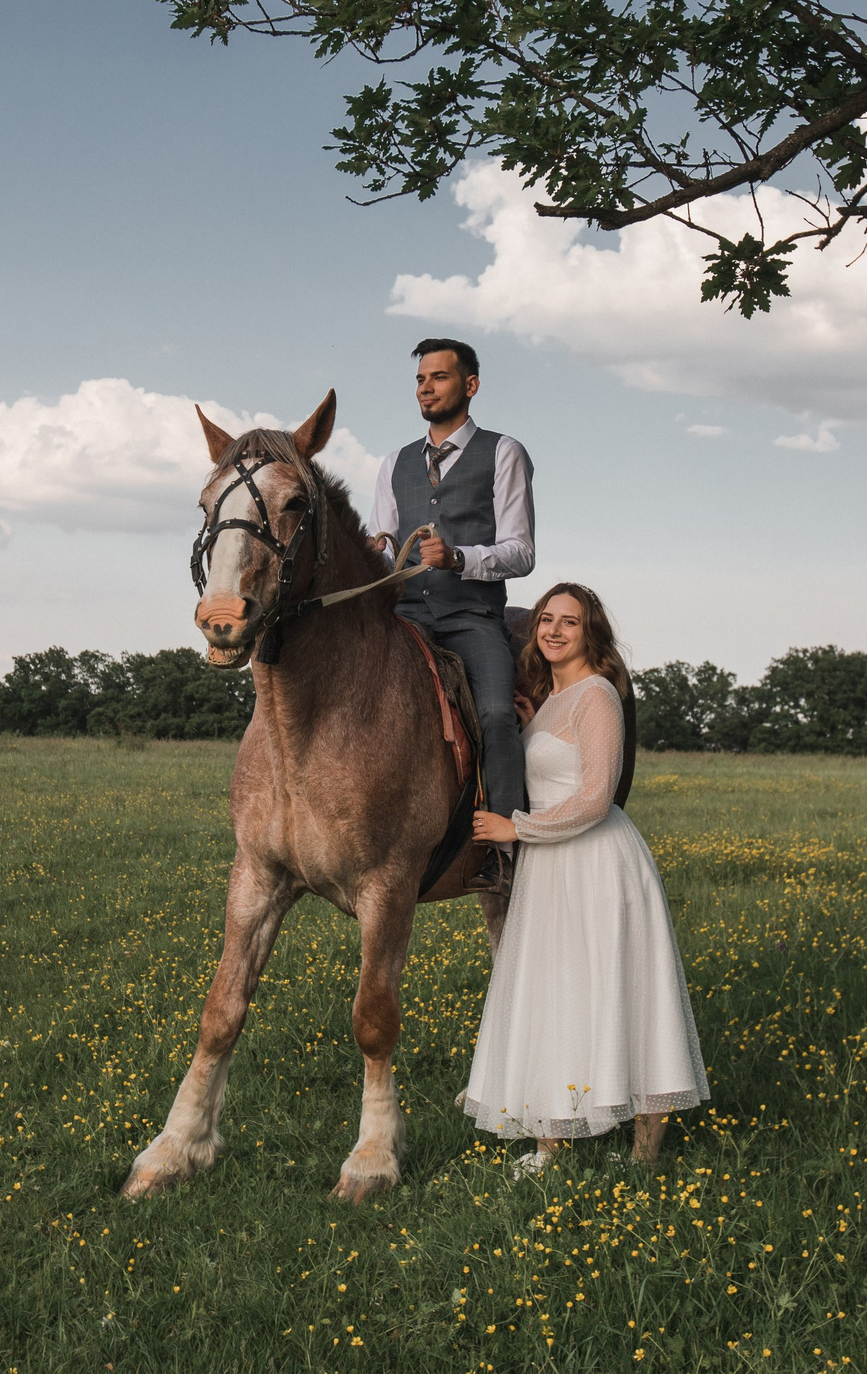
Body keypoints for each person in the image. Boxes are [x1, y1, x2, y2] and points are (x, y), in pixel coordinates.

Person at [460, 584, 710, 1169]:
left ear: (590, 632)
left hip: (595, 864)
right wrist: (530, 724)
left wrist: (513, 828)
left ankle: (646, 1153)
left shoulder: (597, 695)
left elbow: (596, 798)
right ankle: (553, 1138)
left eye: (567, 622)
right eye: (545, 619)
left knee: (625, 993)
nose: (551, 630)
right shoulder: (554, 697)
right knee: (558, 994)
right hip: (554, 867)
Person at [368, 338, 535, 828]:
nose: (426, 388)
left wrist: (458, 558)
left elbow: (521, 552)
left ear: (471, 385)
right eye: (420, 379)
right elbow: (385, 546)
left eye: (438, 377)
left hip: (471, 617)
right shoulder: (393, 463)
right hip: (405, 618)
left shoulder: (504, 452)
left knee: (498, 717)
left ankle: (503, 843)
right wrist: (372, 556)